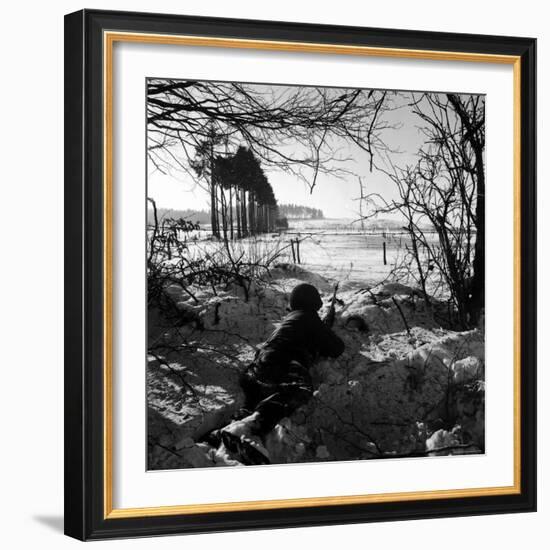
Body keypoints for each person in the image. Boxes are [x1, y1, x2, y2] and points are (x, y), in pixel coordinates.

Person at [219, 283, 345, 464]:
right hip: (282, 363)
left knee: (256, 400)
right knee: (300, 388)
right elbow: (337, 348)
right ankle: (251, 429)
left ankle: (227, 430)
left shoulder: (290, 319)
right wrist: (324, 331)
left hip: (256, 369)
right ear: (314, 303)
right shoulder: (310, 318)